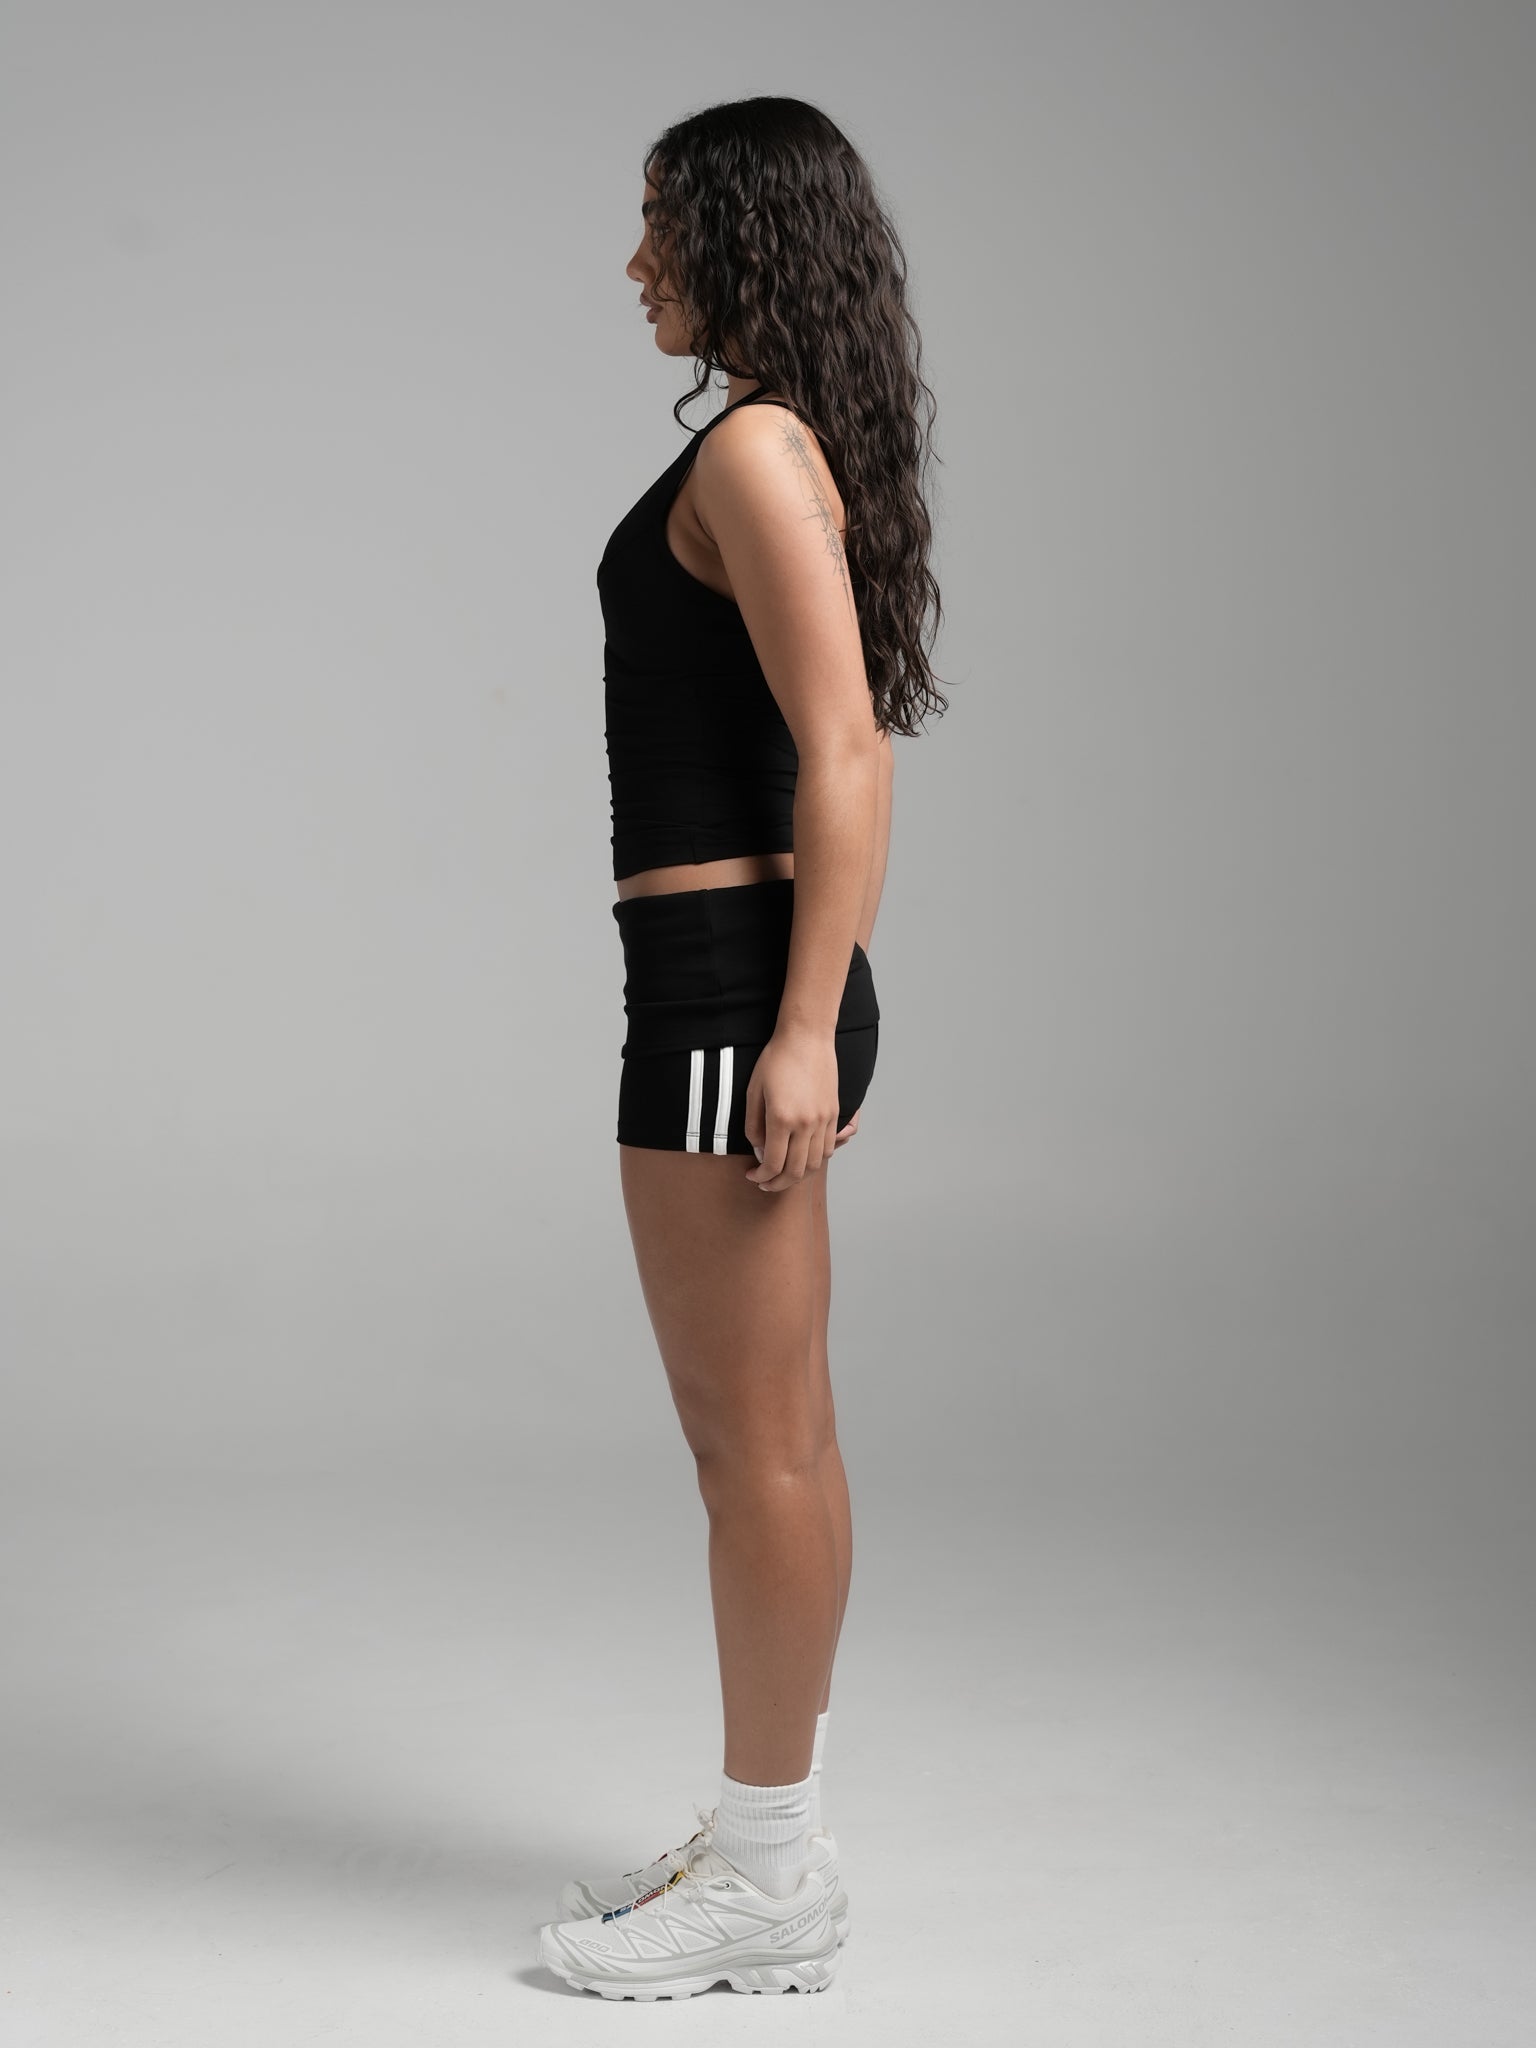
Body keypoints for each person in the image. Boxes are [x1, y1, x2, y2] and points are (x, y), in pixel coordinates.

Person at [539, 95, 947, 2001]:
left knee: (754, 1448)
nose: (637, 263)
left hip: (732, 994)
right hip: (726, 982)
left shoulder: (757, 450)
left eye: (660, 224)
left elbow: (850, 749)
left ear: (739, 234)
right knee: (782, 1437)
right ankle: (766, 1837)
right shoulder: (767, 443)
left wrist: (795, 1030)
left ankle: (770, 1877)